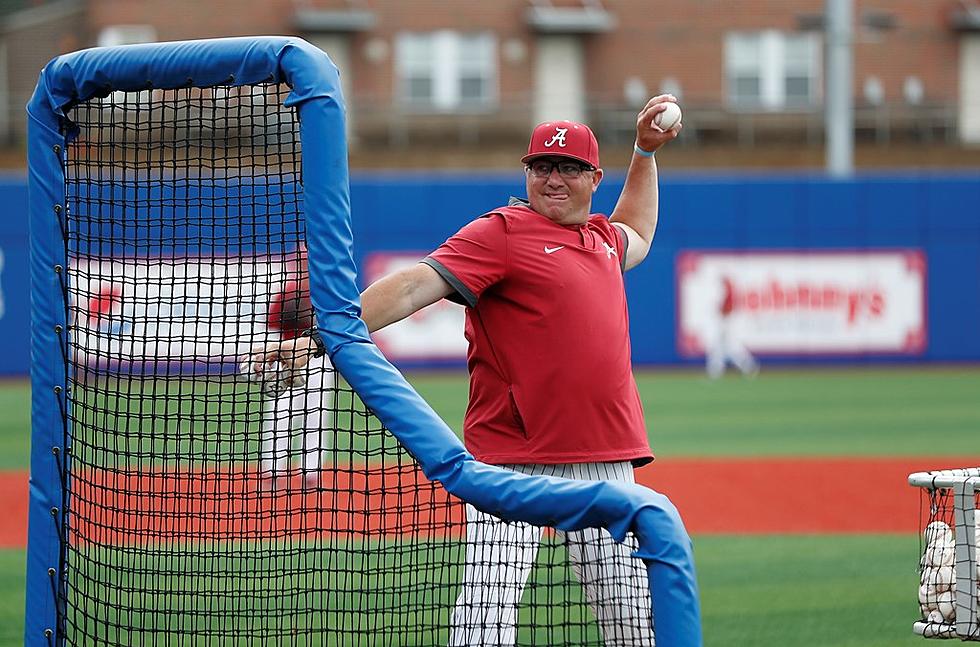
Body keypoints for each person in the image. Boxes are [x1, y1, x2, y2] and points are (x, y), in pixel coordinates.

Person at [252, 95, 681, 645]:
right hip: (514, 461)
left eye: (569, 167)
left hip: (606, 456)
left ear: (594, 177)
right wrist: (317, 341)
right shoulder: (502, 232)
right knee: (482, 622)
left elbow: (638, 233)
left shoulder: (600, 239)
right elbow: (412, 286)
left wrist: (645, 151)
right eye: (541, 166)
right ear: (527, 172)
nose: (554, 177)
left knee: (629, 624)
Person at [259, 247, 336, 490]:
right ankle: (273, 469)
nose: (302, 265)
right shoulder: (286, 294)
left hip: (319, 360)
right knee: (280, 412)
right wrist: (271, 358)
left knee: (316, 414)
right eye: (299, 261)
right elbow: (271, 329)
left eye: (306, 261)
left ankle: (310, 471)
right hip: (286, 359)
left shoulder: (326, 292)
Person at [705, 274, 759, 379]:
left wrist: (721, 314)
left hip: (727, 321)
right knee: (719, 347)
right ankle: (715, 371)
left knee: (731, 347)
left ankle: (749, 367)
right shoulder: (727, 290)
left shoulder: (728, 290)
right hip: (726, 321)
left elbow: (727, 309)